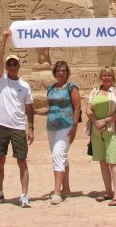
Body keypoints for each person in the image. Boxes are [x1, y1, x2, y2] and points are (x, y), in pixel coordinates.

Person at [0, 29, 34, 208]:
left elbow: (30, 108)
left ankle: (24, 195)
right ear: (6, 68)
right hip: (1, 124)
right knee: (0, 159)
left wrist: (31, 128)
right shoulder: (2, 81)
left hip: (17, 126)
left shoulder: (24, 85)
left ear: (19, 66)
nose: (12, 67)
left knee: (21, 160)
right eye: (10, 65)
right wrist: (4, 39)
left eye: (15, 64)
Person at [34, 60, 81, 204]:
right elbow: (50, 108)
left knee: (57, 155)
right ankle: (66, 189)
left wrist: (74, 128)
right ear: (55, 72)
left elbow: (77, 108)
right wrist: (35, 111)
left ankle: (56, 191)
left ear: (67, 72)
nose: (61, 73)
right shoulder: (51, 88)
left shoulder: (72, 88)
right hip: (52, 126)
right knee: (61, 157)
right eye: (59, 70)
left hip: (66, 125)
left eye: (64, 70)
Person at [86, 66, 116, 206]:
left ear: (113, 76)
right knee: (102, 161)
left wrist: (106, 120)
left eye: (109, 75)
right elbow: (88, 109)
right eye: (104, 75)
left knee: (113, 161)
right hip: (96, 129)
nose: (106, 77)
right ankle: (108, 191)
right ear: (100, 77)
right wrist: (95, 121)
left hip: (113, 128)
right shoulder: (94, 91)